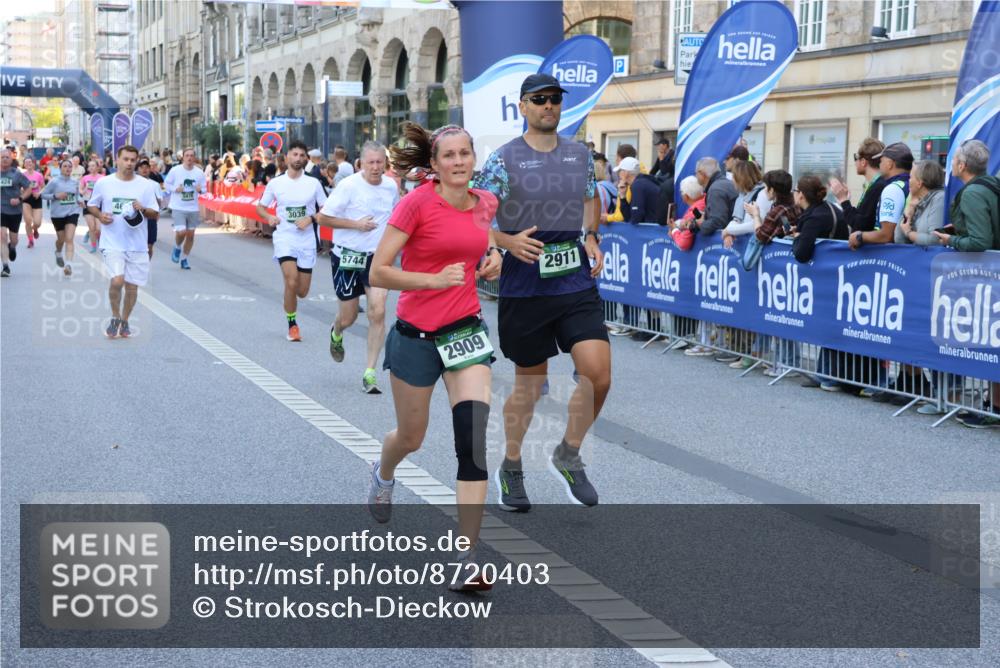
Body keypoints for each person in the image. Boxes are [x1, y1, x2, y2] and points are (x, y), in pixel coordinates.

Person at [368, 122, 502, 590]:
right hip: (415, 336)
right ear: (435, 163)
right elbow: (378, 271)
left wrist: (494, 258)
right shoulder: (415, 204)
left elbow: (482, 240)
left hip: (465, 332)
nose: (460, 161)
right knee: (411, 437)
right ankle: (384, 470)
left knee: (472, 441)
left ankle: (467, 559)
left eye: (466, 153)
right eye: (450, 155)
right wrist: (431, 280)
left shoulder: (486, 203)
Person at [473, 73, 609, 510]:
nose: (548, 105)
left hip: (571, 277)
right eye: (539, 99)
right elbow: (476, 218)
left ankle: (569, 453)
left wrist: (591, 236)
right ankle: (511, 465)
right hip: (525, 281)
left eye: (554, 99)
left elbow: (591, 197)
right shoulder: (503, 159)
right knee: (530, 386)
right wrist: (506, 242)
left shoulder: (579, 154)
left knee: (598, 373)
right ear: (523, 106)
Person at [316, 141, 400, 394]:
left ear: (386, 163)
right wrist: (356, 225)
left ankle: (370, 372)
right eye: (371, 163)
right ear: (360, 164)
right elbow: (322, 217)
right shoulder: (348, 186)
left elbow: (396, 217)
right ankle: (337, 331)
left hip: (378, 259)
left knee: (378, 312)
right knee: (349, 316)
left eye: (380, 162)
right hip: (347, 257)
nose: (376, 168)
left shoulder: (390, 186)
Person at [935, 139, 999, 428]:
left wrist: (951, 240)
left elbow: (980, 241)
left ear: (961, 165)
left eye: (954, 159)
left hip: (987, 276)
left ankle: (993, 408)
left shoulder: (973, 193)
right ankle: (993, 405)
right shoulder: (992, 185)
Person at [85, 145, 161, 339]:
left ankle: (125, 320)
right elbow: (92, 204)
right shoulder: (105, 183)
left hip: (137, 244)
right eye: (125, 159)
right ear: (117, 160)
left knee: (132, 286)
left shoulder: (145, 185)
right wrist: (100, 216)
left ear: (136, 162)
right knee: (117, 280)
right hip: (112, 242)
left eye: (132, 160)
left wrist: (142, 208)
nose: (129, 163)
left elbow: (156, 214)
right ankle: (115, 316)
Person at [255, 140, 328, 342]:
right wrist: (269, 217)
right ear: (286, 157)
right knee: (291, 280)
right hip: (285, 238)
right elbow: (260, 206)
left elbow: (326, 210)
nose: (298, 158)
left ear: (306, 159)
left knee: (302, 291)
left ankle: (290, 296)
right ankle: (292, 324)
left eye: (301, 155)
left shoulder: (314, 184)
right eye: (294, 154)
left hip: (307, 241)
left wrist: (311, 219)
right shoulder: (276, 183)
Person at [848, 142, 911, 251]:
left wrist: (860, 236)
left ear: (890, 164)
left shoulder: (892, 189)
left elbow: (886, 235)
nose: (879, 164)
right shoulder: (909, 183)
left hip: (889, 255)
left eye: (881, 161)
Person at [829, 138, 886, 234]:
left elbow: (860, 225)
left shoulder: (877, 187)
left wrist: (843, 199)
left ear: (863, 162)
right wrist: (845, 202)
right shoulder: (877, 184)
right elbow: (862, 217)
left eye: (856, 157)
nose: (855, 162)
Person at [164, 147, 207, 270]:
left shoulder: (199, 173)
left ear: (194, 158)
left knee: (191, 235)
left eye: (191, 155)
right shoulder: (175, 170)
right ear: (183, 157)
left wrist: (200, 190)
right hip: (178, 206)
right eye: (187, 155)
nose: (189, 158)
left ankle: (184, 258)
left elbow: (204, 189)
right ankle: (177, 248)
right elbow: (167, 183)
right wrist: (175, 189)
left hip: (193, 208)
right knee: (182, 231)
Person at [40, 159, 82, 276]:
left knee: (69, 238)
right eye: (65, 166)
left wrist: (80, 201)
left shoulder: (75, 182)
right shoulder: (54, 182)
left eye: (69, 167)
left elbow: (78, 195)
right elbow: (43, 195)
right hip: (57, 214)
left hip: (72, 212)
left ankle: (69, 265)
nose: (68, 169)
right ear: (60, 168)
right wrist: (56, 196)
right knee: (61, 240)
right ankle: (58, 252)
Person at [896, 160, 945, 246]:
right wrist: (908, 212)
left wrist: (909, 233)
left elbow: (934, 240)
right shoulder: (917, 202)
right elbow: (899, 239)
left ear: (919, 183)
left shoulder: (940, 198)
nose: (909, 181)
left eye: (910, 177)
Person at [0, 148, 32, 277]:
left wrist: (19, 199)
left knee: (14, 239)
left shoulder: (16, 174)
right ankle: (5, 267)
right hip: (1, 209)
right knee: (2, 236)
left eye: (7, 157)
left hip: (14, 211)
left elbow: (29, 188)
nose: (4, 159)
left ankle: (12, 247)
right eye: (2, 157)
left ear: (11, 159)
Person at [695, 156, 738, 236]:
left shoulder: (715, 190)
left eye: (696, 173)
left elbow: (718, 222)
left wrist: (701, 224)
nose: (696, 176)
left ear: (702, 174)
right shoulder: (725, 183)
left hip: (729, 243)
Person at [136, 159, 163, 258]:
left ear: (150, 169)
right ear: (138, 169)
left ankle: (146, 264)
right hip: (136, 216)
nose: (144, 170)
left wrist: (157, 213)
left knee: (149, 246)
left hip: (150, 216)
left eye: (146, 168)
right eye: (142, 168)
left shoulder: (154, 184)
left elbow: (159, 201)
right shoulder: (133, 183)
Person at [20, 156, 45, 248]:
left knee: (37, 222)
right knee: (27, 221)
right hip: (26, 199)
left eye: (30, 162)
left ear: (33, 163)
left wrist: (39, 193)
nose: (28, 164)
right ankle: (30, 241)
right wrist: (22, 190)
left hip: (36, 198)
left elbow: (43, 187)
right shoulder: (22, 176)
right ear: (24, 165)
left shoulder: (39, 175)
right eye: (26, 162)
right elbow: (19, 188)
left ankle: (35, 229)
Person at [80, 159, 103, 253]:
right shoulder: (85, 178)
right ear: (88, 168)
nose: (92, 167)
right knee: (92, 227)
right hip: (87, 203)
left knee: (98, 229)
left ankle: (89, 234)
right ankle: (94, 246)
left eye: (93, 165)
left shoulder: (102, 178)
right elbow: (80, 191)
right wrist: (85, 189)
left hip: (99, 205)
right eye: (90, 166)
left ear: (97, 167)